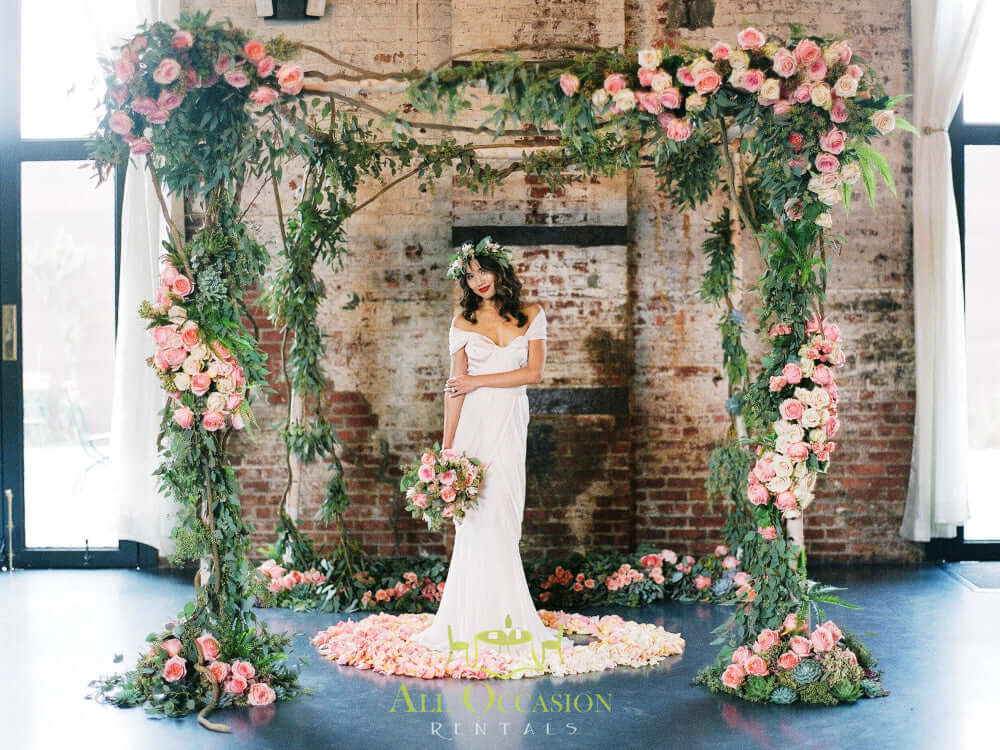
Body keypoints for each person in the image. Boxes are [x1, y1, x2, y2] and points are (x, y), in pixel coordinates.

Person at [409, 237, 569, 663]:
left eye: (485, 270)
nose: (479, 280)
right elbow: (454, 388)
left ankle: (509, 620)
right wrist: (447, 451)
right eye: (470, 274)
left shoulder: (532, 314)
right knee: (476, 521)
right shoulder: (462, 322)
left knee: (504, 515)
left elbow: (532, 372)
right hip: (474, 428)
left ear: (500, 271)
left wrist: (478, 380)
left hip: (509, 423)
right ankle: (468, 621)